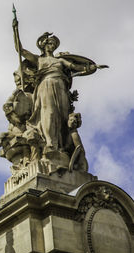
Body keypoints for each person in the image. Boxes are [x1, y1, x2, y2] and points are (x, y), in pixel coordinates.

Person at [13, 20, 105, 154]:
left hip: (61, 86)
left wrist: (91, 67)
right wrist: (15, 29)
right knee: (49, 113)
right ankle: (50, 144)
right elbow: (20, 50)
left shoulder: (60, 60)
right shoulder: (39, 60)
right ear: (44, 45)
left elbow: (75, 67)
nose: (52, 46)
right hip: (46, 85)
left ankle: (62, 146)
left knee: (62, 116)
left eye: (54, 44)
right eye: (50, 43)